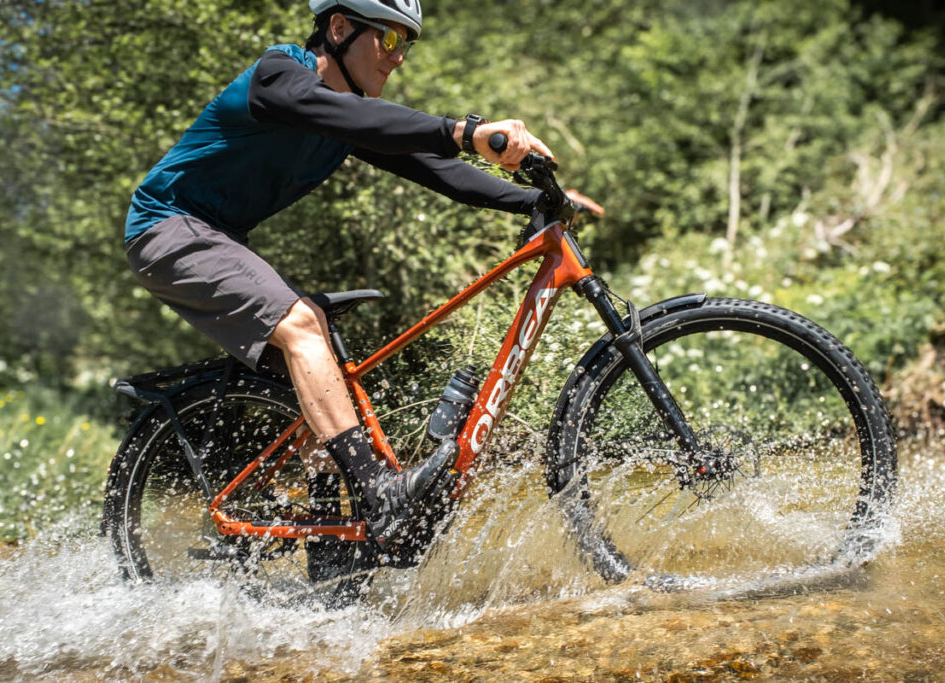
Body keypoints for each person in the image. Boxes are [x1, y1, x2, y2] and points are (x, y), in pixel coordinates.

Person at [124, 0, 594, 544]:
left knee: (324, 369)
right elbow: (355, 117)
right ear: (339, 27)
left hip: (217, 239)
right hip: (167, 228)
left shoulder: (342, 120)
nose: (398, 59)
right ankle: (380, 491)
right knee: (301, 325)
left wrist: (532, 198)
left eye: (407, 45)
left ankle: (335, 549)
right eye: (391, 40)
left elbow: (438, 170)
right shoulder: (279, 76)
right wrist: (467, 130)